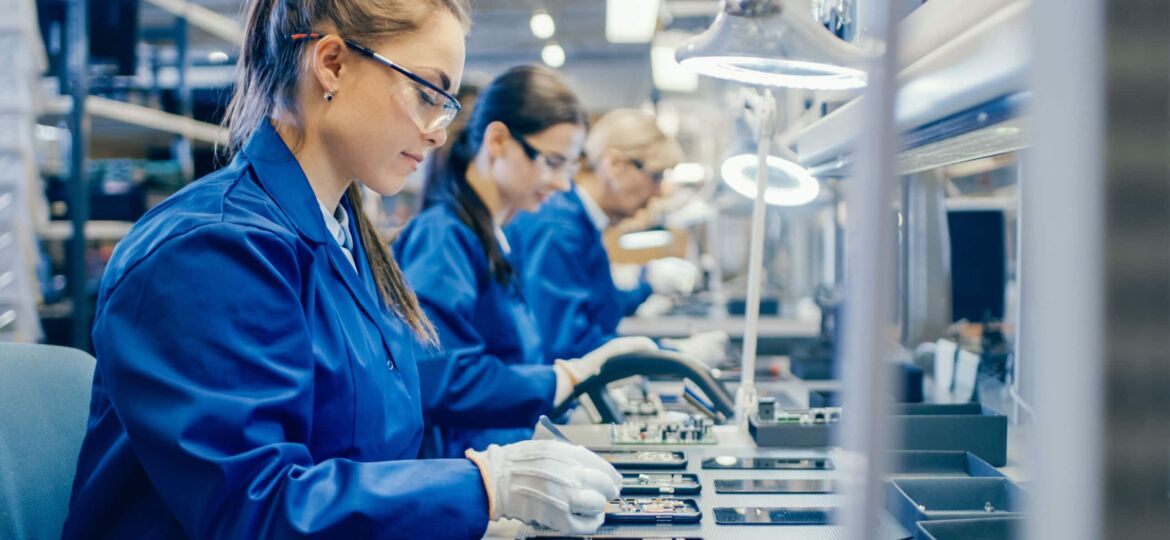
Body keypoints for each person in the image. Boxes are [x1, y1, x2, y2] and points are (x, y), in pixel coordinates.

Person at [63, 1, 622, 537]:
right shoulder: (210, 250)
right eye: (428, 92)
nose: (438, 131)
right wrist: (482, 489)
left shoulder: (346, 238)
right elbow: (256, 510)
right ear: (331, 64)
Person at [393, 67, 657, 458]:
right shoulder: (444, 238)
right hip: (466, 474)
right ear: (498, 140)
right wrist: (560, 380)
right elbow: (439, 377)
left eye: (568, 166)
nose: (562, 184)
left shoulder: (493, 239)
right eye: (551, 162)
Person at [506, 109, 721, 364]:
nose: (659, 192)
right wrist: (672, 356)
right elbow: (567, 348)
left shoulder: (582, 222)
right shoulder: (558, 228)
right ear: (615, 165)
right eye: (655, 175)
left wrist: (647, 283)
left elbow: (598, 309)